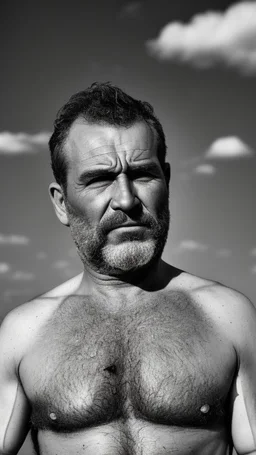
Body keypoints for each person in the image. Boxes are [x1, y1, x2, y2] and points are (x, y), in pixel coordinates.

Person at [0, 82, 255, 455]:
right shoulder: (24, 334)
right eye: (100, 179)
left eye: (142, 174)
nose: (125, 199)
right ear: (61, 203)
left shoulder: (228, 317)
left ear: (166, 181)